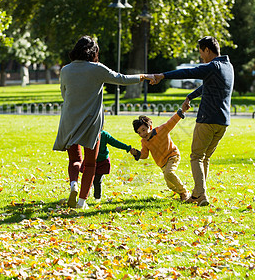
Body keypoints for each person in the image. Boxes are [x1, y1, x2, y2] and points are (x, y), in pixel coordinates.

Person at [53, 35, 149, 209]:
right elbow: (121, 79)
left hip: (69, 120)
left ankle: (73, 184)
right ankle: (82, 201)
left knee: (75, 159)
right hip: (91, 122)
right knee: (90, 163)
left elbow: (63, 93)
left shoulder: (65, 70)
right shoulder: (97, 69)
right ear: (94, 52)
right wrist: (143, 77)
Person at [147, 36, 234, 206]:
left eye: (201, 52)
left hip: (207, 120)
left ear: (207, 50)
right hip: (223, 122)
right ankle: (196, 194)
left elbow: (188, 72)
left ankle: (201, 195)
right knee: (205, 157)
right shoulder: (228, 66)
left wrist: (162, 75)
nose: (201, 57)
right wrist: (190, 96)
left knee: (196, 157)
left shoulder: (213, 66)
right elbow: (207, 86)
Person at [132, 104, 191, 201]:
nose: (142, 134)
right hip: (162, 163)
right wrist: (137, 154)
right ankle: (183, 193)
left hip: (172, 155)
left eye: (143, 130)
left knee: (169, 173)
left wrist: (181, 112)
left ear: (150, 126)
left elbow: (172, 122)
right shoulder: (144, 141)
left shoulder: (161, 130)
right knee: (170, 185)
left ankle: (184, 192)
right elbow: (145, 155)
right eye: (139, 133)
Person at [80, 129, 140, 202]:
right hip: (93, 160)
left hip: (100, 161)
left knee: (96, 180)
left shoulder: (103, 134)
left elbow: (115, 142)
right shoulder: (88, 133)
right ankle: (88, 191)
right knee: (94, 179)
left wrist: (127, 147)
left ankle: (97, 197)